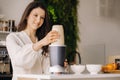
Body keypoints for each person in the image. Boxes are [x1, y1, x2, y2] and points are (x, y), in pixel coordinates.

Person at [6, 1, 60, 80]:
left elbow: (46, 71)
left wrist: (57, 68)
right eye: (35, 15)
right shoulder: (13, 38)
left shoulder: (44, 42)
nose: (38, 20)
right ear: (27, 16)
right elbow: (20, 61)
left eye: (42, 18)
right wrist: (40, 43)